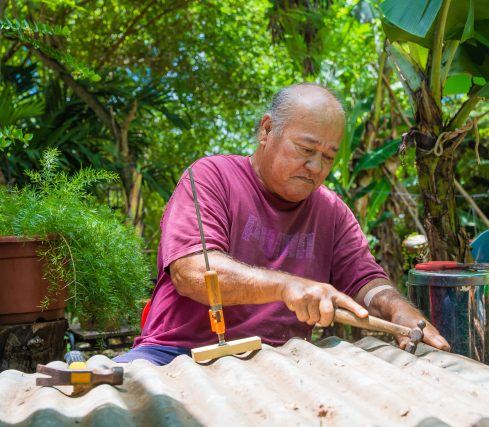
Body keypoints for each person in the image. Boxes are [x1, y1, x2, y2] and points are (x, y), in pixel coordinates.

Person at [114, 83, 450, 365]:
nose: (316, 166)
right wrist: (286, 286)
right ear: (266, 130)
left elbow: (366, 282)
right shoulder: (211, 177)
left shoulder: (331, 211)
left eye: (329, 156)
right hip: (175, 353)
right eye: (305, 148)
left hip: (279, 361)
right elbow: (191, 273)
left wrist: (400, 312)